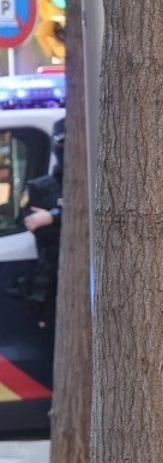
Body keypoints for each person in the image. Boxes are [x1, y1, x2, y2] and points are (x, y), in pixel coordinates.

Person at [10, 120, 64, 329]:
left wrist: (54, 216)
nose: (66, 150)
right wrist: (58, 218)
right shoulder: (39, 188)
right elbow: (42, 231)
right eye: (62, 144)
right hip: (52, 281)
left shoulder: (98, 183)